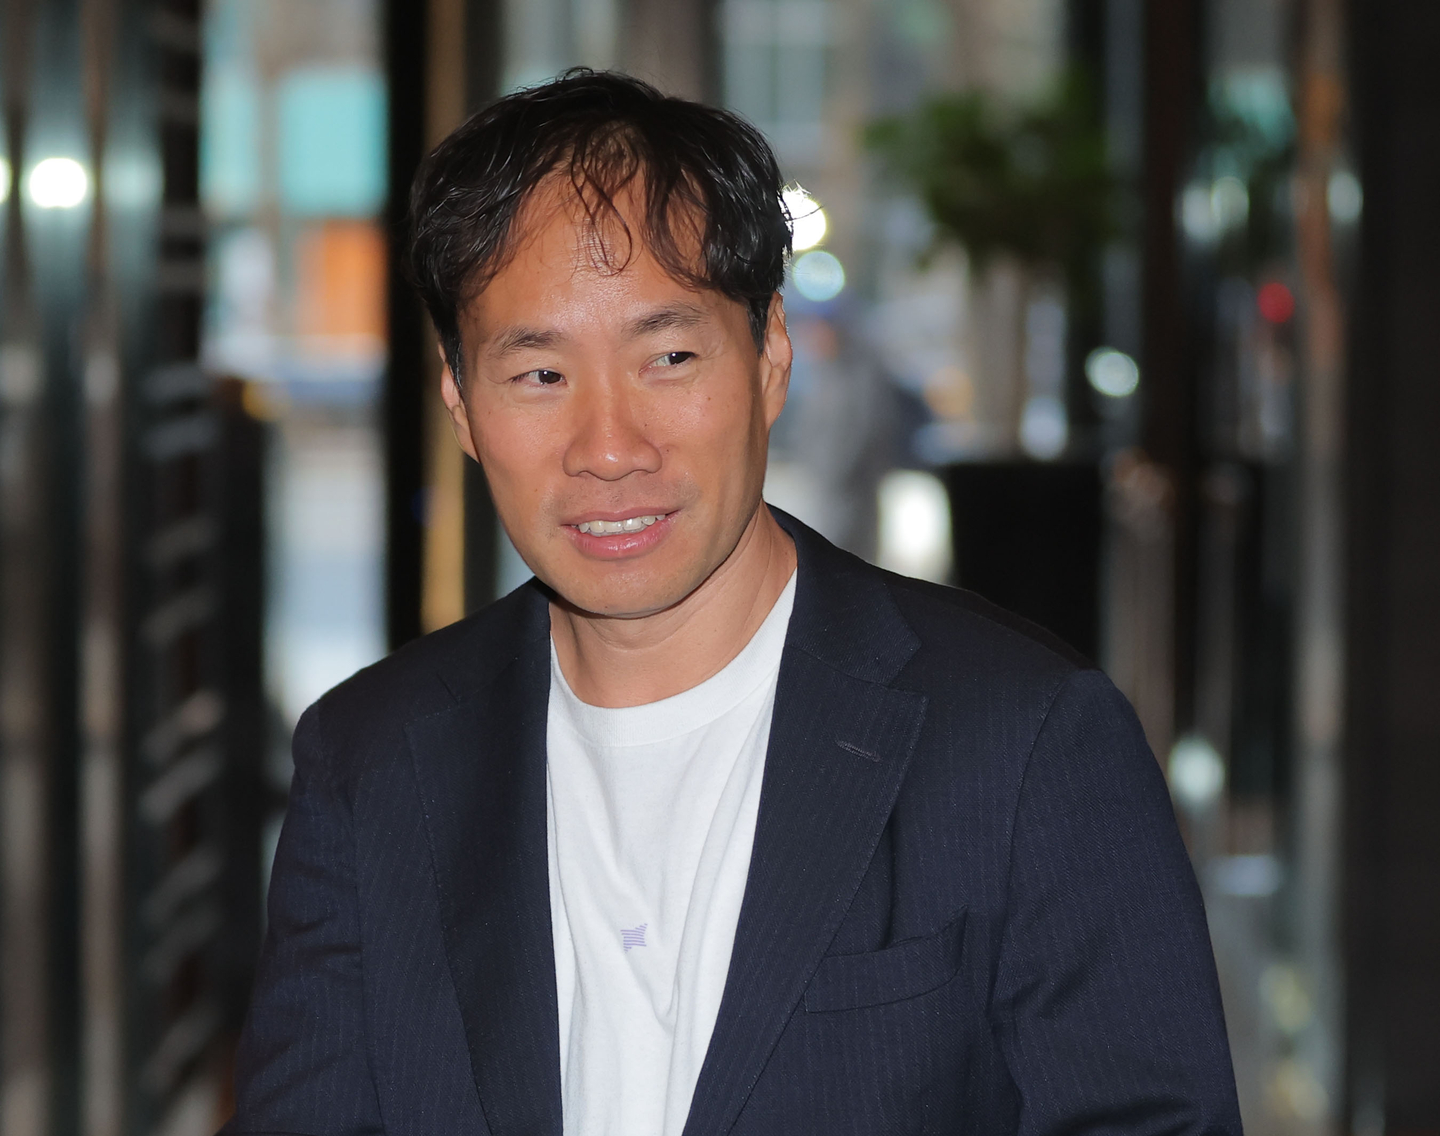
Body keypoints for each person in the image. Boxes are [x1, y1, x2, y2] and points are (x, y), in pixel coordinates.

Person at [223, 71, 1241, 1136]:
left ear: (769, 361)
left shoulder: (1024, 740)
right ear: (462, 406)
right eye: (539, 376)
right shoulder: (371, 763)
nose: (609, 448)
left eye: (668, 357)